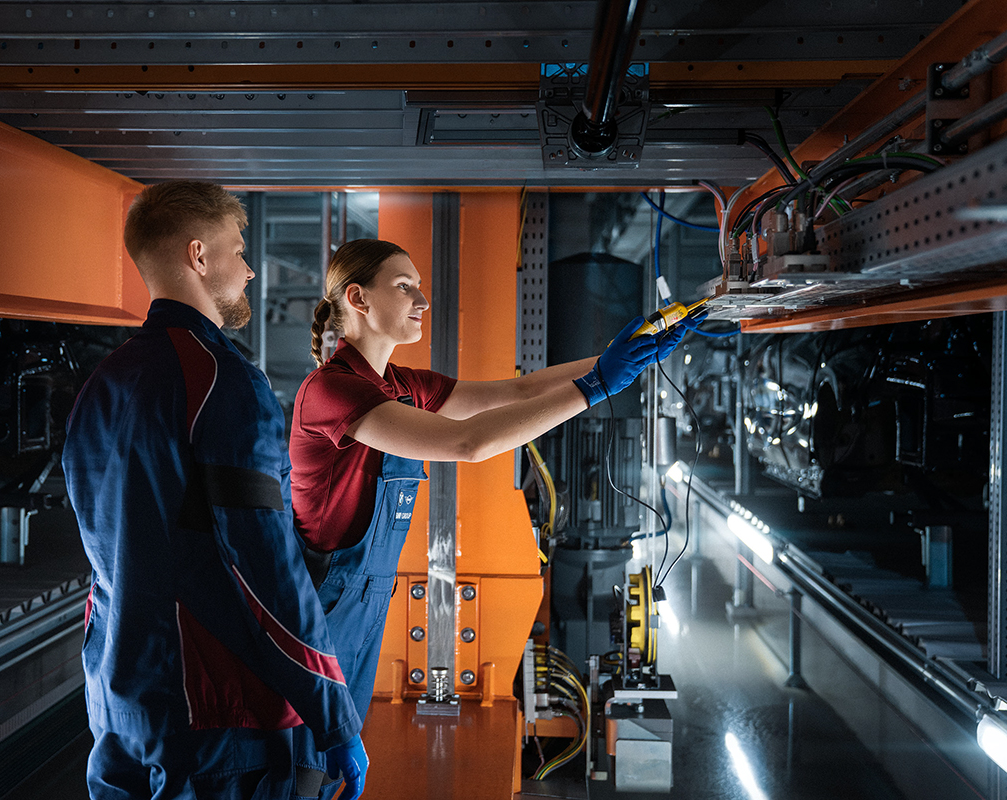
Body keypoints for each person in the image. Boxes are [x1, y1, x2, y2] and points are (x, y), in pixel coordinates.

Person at [288, 238, 693, 788]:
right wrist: (597, 387)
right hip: (322, 610)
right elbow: (470, 443)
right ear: (357, 298)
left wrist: (621, 356)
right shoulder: (332, 390)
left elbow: (517, 390)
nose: (423, 301)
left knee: (328, 771)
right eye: (404, 287)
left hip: (361, 608)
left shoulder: (400, 385)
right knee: (302, 770)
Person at [63, 181, 368, 800]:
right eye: (238, 250)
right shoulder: (225, 382)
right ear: (198, 256)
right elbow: (264, 566)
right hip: (215, 716)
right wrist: (334, 714)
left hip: (119, 701)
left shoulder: (102, 383)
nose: (251, 270)